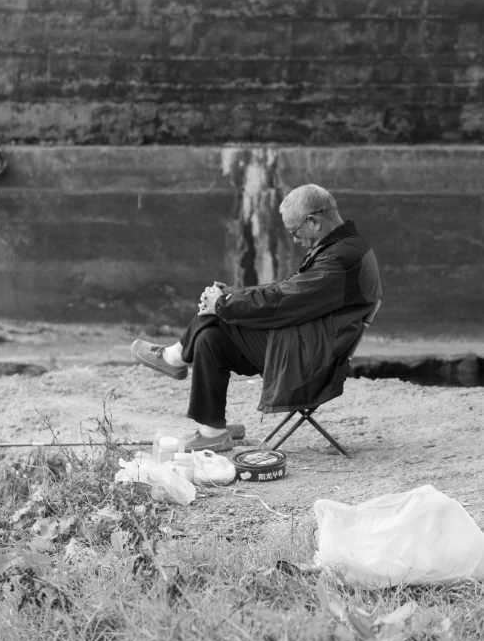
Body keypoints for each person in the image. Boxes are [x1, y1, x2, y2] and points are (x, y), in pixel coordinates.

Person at [131, 184, 382, 451]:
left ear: (314, 222)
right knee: (210, 337)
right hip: (307, 344)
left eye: (293, 231)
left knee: (216, 318)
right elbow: (288, 291)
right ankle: (212, 431)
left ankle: (173, 358)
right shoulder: (344, 248)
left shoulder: (341, 259)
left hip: (311, 361)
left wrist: (224, 302)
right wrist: (228, 296)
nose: (294, 240)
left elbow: (283, 300)